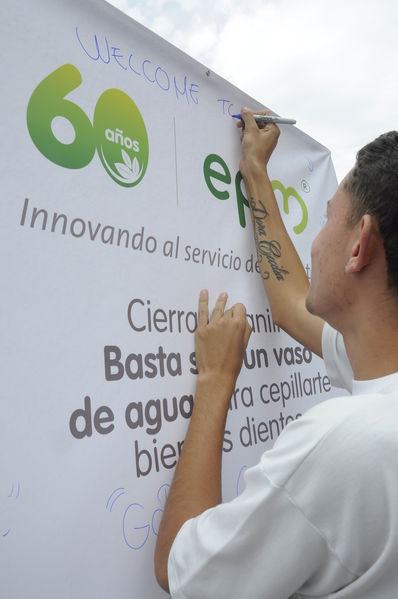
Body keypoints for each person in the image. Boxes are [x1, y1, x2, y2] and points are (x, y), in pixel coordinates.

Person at [154, 109, 398, 597]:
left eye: (329, 217)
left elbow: (182, 569)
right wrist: (255, 174)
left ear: (359, 245)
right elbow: (290, 304)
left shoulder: (343, 445)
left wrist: (214, 382)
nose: (316, 240)